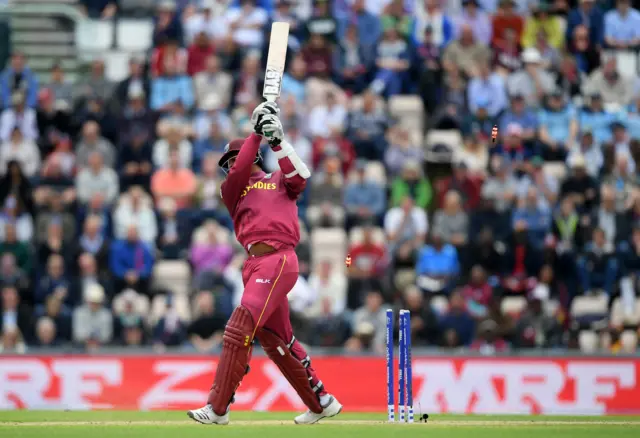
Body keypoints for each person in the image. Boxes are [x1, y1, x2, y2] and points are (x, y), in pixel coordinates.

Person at [188, 102, 342, 425]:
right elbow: (241, 171)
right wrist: (255, 135)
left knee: (238, 326)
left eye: (234, 160)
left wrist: (277, 141)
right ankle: (321, 401)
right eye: (228, 163)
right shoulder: (232, 191)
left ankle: (218, 408)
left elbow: (301, 176)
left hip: (279, 260)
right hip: (255, 267)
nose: (232, 167)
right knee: (276, 340)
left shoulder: (278, 181)